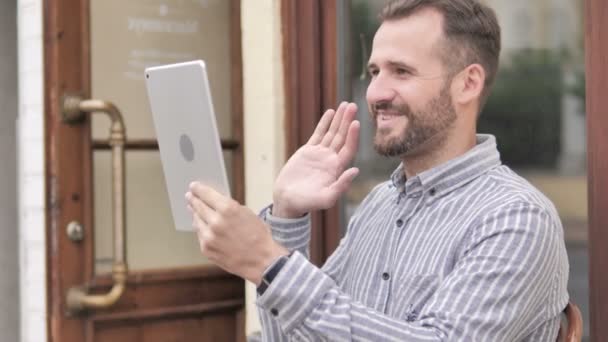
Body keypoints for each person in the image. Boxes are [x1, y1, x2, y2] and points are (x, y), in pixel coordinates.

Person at [185, 0, 569, 340]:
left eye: (401, 71)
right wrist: (287, 214)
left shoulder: (516, 217)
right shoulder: (380, 204)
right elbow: (299, 335)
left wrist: (268, 263)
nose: (376, 93)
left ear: (467, 83)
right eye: (374, 71)